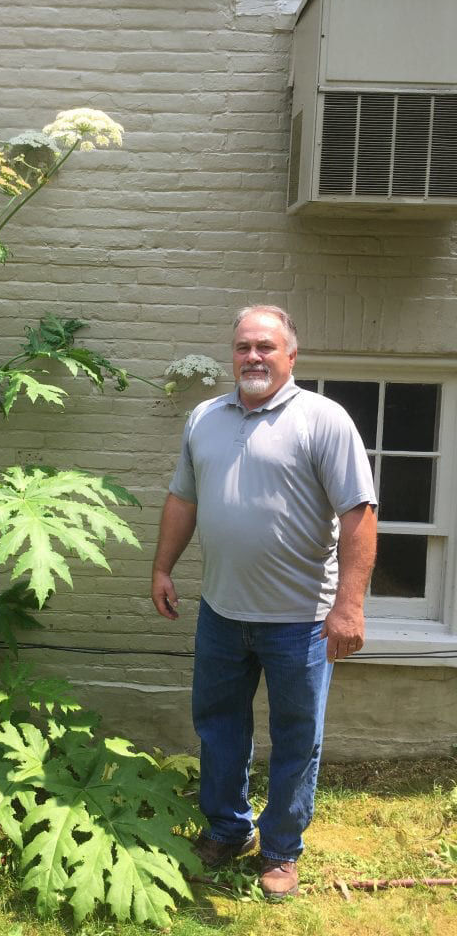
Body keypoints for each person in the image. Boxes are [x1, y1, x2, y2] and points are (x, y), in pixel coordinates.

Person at [151, 305, 377, 899]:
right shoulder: (205, 417)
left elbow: (359, 513)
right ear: (233, 354)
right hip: (222, 614)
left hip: (300, 620)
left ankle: (280, 849)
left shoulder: (323, 420)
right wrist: (162, 567)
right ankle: (228, 829)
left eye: (266, 347)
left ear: (291, 356)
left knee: (297, 736)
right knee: (219, 728)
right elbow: (183, 499)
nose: (253, 357)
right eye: (243, 346)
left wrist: (348, 607)